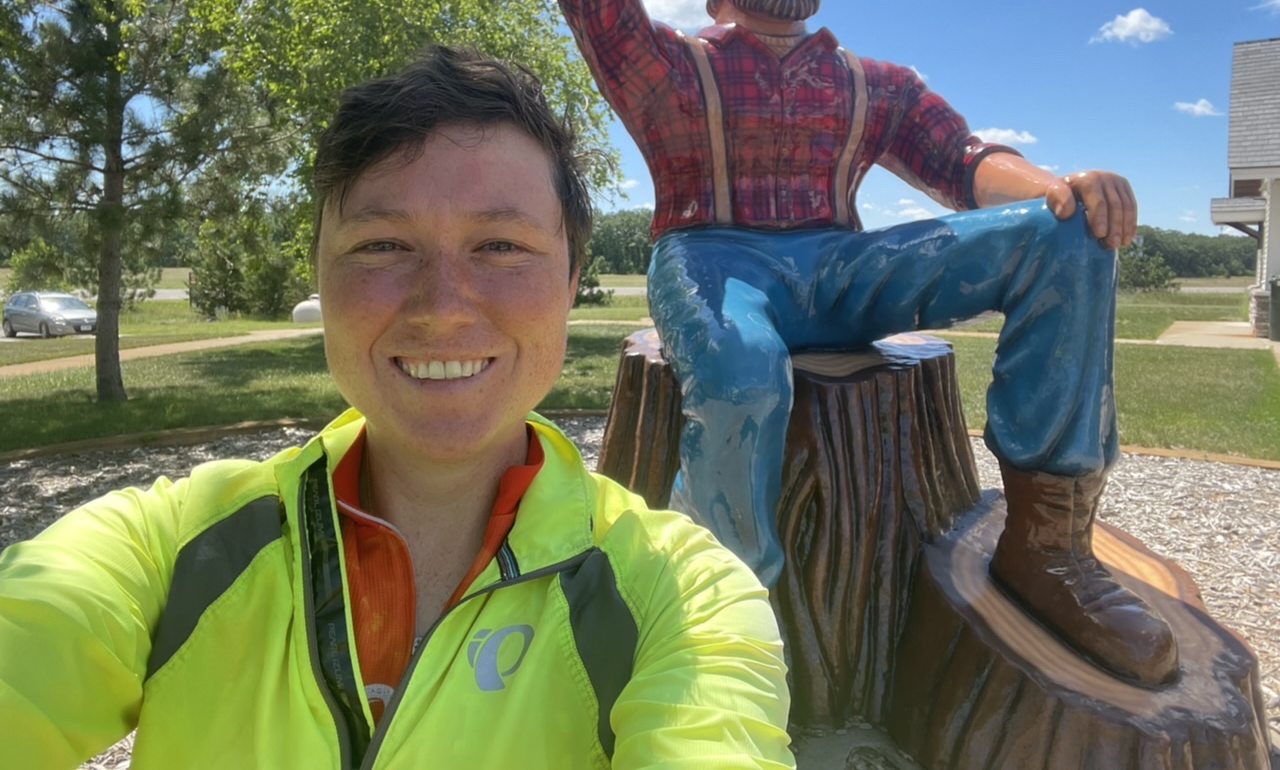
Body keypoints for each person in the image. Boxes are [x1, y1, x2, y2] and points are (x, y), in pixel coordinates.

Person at [0, 46, 796, 768]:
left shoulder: (681, 597)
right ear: (321, 269)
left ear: (571, 276)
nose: (441, 306)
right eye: (383, 246)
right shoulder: (167, 549)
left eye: (501, 246)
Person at [537, 0, 1179, 689]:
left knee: (1067, 240)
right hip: (714, 263)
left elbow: (962, 163)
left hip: (839, 266)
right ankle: (722, 621)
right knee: (740, 376)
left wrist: (1058, 192)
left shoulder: (872, 85)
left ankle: (1047, 548)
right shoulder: (669, 68)